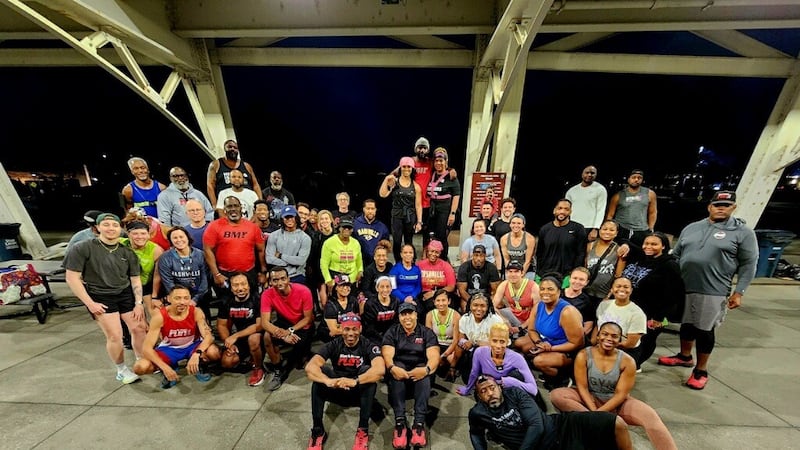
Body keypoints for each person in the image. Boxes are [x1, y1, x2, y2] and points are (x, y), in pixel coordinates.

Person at [658, 190, 758, 390]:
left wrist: (739, 292)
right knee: (686, 324)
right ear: (709, 206)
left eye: (726, 206)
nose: (721, 209)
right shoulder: (692, 228)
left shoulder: (743, 232)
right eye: (717, 205)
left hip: (713, 288)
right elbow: (676, 255)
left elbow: (749, 263)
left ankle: (701, 370)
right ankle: (684, 356)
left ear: (733, 208)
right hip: (684, 285)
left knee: (704, 329)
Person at [550, 321, 677, 450]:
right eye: (605, 334)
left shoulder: (628, 361)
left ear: (620, 340)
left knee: (650, 416)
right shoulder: (584, 355)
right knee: (557, 395)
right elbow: (582, 387)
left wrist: (601, 414)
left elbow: (620, 394)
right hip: (589, 398)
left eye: (614, 336)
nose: (609, 339)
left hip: (616, 402)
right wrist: (594, 414)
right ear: (598, 336)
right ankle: (591, 425)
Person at [63, 213, 147, 384]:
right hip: (99, 296)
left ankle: (141, 360)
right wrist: (90, 303)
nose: (111, 228)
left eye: (115, 225)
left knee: (139, 328)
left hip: (124, 294)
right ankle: (121, 369)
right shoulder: (83, 248)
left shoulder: (127, 252)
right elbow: (72, 278)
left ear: (120, 229)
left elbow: (135, 279)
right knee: (115, 335)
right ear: (98, 228)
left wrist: (139, 303)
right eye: (106, 225)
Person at [468, 375, 633, 450]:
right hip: (545, 447)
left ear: (500, 388)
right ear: (479, 397)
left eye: (492, 388)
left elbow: (537, 425)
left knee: (615, 423)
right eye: (483, 391)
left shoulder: (515, 393)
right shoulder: (478, 412)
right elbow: (476, 434)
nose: (490, 393)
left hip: (561, 426)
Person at [305, 313, 385, 450]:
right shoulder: (333, 344)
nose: (351, 333)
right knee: (320, 374)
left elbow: (380, 370)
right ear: (341, 329)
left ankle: (363, 430)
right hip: (337, 388)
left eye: (354, 329)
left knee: (368, 373)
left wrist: (355, 381)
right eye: (347, 329)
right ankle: (318, 430)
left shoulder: (368, 345)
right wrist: (327, 381)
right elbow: (310, 367)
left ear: (360, 329)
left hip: (358, 391)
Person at [133, 284, 221, 388]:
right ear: (169, 299)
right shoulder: (159, 317)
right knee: (140, 367)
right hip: (170, 349)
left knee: (214, 353)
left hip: (193, 346)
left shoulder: (196, 312)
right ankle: (170, 367)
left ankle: (200, 365)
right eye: (177, 298)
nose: (182, 302)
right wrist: (164, 367)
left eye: (186, 298)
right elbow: (146, 349)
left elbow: (209, 337)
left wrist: (197, 354)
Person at [381, 302, 440, 449]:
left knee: (425, 373)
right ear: (399, 317)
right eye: (403, 314)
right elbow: (387, 354)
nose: (407, 317)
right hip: (400, 370)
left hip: (419, 370)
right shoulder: (392, 332)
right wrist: (392, 367)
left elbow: (434, 357)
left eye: (410, 313)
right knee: (396, 371)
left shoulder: (427, 333)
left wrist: (426, 370)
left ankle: (418, 425)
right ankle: (400, 422)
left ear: (416, 315)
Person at [622, 232, 685, 369]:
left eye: (654, 244)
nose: (648, 247)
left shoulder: (669, 266)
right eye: (646, 243)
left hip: (654, 314)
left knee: (646, 340)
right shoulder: (641, 257)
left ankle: (635, 366)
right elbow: (624, 240)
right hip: (634, 310)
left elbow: (674, 295)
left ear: (663, 246)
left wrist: (659, 318)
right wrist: (626, 244)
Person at [514, 275, 584, 390]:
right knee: (520, 343)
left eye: (550, 289)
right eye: (542, 289)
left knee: (539, 361)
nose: (545, 292)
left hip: (568, 350)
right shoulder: (538, 306)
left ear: (559, 291)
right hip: (547, 342)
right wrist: (538, 342)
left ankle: (562, 378)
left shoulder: (567, 312)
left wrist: (549, 349)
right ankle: (546, 366)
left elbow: (577, 344)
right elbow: (531, 330)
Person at [260, 267, 316, 391]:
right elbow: (264, 322)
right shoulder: (267, 294)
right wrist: (283, 335)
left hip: (302, 325)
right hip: (284, 322)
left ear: (288, 279)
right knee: (267, 336)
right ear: (270, 282)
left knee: (299, 360)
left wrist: (290, 331)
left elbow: (308, 318)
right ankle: (278, 369)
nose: (279, 283)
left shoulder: (303, 291)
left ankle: (303, 355)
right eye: (275, 280)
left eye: (283, 279)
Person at [456, 323, 540, 401]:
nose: (498, 346)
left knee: (517, 376)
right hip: (490, 387)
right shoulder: (480, 352)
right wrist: (467, 389)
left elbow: (533, 390)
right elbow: (474, 373)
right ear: (489, 340)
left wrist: (512, 382)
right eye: (494, 341)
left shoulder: (517, 358)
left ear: (507, 342)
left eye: (502, 342)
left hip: (509, 389)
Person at [217, 272, 266, 387]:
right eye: (235, 285)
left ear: (249, 285)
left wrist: (235, 336)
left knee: (253, 339)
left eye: (243, 284)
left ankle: (259, 368)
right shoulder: (226, 302)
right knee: (226, 362)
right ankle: (250, 358)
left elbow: (259, 325)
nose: (240, 288)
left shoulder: (258, 299)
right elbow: (222, 325)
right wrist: (228, 341)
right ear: (230, 287)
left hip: (260, 337)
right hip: (240, 337)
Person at [154, 226, 210, 318]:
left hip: (199, 297)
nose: (179, 240)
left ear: (187, 237)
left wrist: (194, 300)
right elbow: (168, 283)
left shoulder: (200, 255)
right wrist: (182, 300)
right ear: (171, 241)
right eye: (175, 238)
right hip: (177, 298)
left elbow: (205, 280)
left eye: (181, 237)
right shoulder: (165, 258)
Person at [594, 277, 647, 367]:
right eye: (618, 286)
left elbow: (630, 343)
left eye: (626, 287)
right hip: (602, 345)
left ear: (631, 290)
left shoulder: (637, 314)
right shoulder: (604, 305)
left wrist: (607, 345)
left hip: (624, 350)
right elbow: (597, 326)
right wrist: (593, 344)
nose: (622, 289)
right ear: (612, 289)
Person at [379, 156, 423, 262]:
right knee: (397, 241)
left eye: (409, 167)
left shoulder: (416, 186)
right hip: (397, 215)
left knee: (409, 241)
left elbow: (418, 205)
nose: (406, 169)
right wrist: (386, 179)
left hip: (410, 215)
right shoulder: (394, 182)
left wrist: (419, 222)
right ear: (400, 167)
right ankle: (398, 262)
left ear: (412, 168)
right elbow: (383, 194)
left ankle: (410, 261)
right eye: (404, 166)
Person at [455, 293, 504, 383]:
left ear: (488, 307)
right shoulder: (465, 319)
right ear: (469, 306)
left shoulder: (496, 320)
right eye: (475, 305)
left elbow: (501, 344)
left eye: (482, 306)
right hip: (470, 352)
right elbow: (461, 339)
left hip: (492, 353)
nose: (478, 309)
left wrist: (475, 342)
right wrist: (464, 343)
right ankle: (455, 369)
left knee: (479, 350)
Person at [120, 220, 164, 319]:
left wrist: (154, 296)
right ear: (128, 234)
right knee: (137, 320)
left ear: (149, 234)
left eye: (143, 233)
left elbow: (158, 276)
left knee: (156, 315)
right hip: (125, 287)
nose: (139, 237)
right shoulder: (119, 244)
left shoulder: (156, 250)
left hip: (147, 285)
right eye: (135, 234)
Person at [536, 199, 587, 281]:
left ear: (570, 212)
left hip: (567, 276)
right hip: (545, 274)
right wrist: (539, 272)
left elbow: (581, 254)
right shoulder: (544, 229)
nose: (562, 211)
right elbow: (540, 253)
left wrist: (574, 273)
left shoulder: (578, 229)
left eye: (566, 209)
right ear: (554, 210)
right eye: (560, 208)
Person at [606, 169, 657, 247]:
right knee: (618, 253)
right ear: (628, 179)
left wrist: (651, 228)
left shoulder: (650, 194)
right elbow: (610, 215)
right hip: (622, 229)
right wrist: (609, 229)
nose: (636, 179)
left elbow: (652, 212)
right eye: (634, 177)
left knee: (639, 254)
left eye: (639, 178)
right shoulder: (618, 195)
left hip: (641, 230)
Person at [426, 147, 461, 261]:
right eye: (436, 160)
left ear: (446, 162)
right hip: (432, 210)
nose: (438, 163)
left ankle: (443, 260)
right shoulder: (432, 174)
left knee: (441, 237)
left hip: (445, 211)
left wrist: (452, 213)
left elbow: (456, 195)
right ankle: (431, 261)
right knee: (431, 236)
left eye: (441, 160)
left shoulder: (451, 177)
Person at [207, 139, 263, 207]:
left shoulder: (246, 166)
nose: (232, 149)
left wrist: (261, 202)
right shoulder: (216, 164)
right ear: (225, 149)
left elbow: (256, 185)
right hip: (227, 203)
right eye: (230, 147)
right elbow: (210, 185)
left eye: (235, 147)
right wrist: (214, 204)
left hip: (247, 202)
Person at [584, 219, 627, 307]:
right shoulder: (590, 246)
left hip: (604, 296)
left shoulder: (620, 250)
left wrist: (609, 296)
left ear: (616, 233)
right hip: (586, 292)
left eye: (611, 230)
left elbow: (618, 277)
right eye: (604, 229)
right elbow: (584, 269)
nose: (607, 232)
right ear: (599, 230)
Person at [492, 260, 539, 339]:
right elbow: (492, 306)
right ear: (507, 273)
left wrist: (521, 327)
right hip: (513, 314)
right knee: (493, 314)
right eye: (510, 271)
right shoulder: (504, 284)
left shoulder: (533, 287)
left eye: (516, 271)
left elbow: (538, 312)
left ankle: (521, 333)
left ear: (522, 273)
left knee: (526, 339)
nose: (513, 274)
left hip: (529, 318)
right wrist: (504, 320)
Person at [265, 205, 312, 283]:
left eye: (292, 217)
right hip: (277, 276)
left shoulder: (305, 238)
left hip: (297, 276)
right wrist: (288, 263)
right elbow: (269, 259)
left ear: (296, 218)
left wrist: (280, 256)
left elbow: (301, 261)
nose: (289, 220)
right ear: (282, 219)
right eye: (286, 217)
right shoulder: (274, 235)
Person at [424, 288, 462, 382]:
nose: (441, 303)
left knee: (450, 359)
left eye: (443, 300)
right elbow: (429, 338)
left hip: (450, 347)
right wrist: (436, 354)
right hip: (435, 345)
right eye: (438, 300)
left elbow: (455, 341)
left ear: (449, 301)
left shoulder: (456, 316)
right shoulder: (430, 315)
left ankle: (452, 368)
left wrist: (444, 355)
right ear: (434, 302)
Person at [319, 217, 363, 294]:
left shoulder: (356, 243)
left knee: (351, 302)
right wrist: (328, 280)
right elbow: (324, 264)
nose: (346, 230)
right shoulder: (329, 242)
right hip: (335, 277)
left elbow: (359, 260)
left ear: (352, 230)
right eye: (344, 227)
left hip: (351, 278)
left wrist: (360, 271)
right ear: (339, 228)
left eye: (349, 228)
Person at [565, 165, 607, 242]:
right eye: (587, 172)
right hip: (573, 225)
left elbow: (601, 210)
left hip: (589, 227)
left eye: (592, 173)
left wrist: (595, 229)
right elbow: (566, 210)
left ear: (596, 174)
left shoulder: (600, 189)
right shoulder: (572, 191)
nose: (589, 175)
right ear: (582, 174)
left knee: (585, 252)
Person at [456, 244, 502, 313]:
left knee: (499, 304)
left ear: (485, 256)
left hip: (486, 296)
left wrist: (487, 302)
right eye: (476, 255)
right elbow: (462, 291)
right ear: (472, 256)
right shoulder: (464, 267)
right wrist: (474, 302)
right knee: (465, 307)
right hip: (469, 296)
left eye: (481, 256)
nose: (478, 258)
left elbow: (495, 291)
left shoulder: (491, 268)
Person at [417, 239, 457, 313]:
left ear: (440, 253)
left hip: (442, 292)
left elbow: (451, 286)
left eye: (437, 252)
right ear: (427, 251)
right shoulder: (419, 265)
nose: (433, 254)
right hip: (424, 293)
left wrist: (434, 293)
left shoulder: (446, 265)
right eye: (431, 251)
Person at [317, 274, 359, 343]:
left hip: (345, 334)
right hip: (328, 334)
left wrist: (341, 327)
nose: (345, 288)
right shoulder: (330, 305)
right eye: (342, 285)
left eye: (347, 285)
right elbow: (334, 331)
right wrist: (352, 328)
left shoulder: (353, 301)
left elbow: (358, 325)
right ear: (336, 287)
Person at [361, 275, 400, 343]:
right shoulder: (370, 304)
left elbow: (396, 323)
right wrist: (383, 339)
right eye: (382, 287)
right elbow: (369, 328)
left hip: (391, 335)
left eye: (387, 286)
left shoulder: (396, 301)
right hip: (374, 336)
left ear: (391, 288)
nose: (385, 290)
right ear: (377, 288)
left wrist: (390, 336)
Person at [310, 209, 336, 310]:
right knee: (324, 299)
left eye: (326, 218)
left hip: (334, 268)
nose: (324, 221)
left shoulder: (337, 235)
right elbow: (314, 254)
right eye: (322, 219)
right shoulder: (317, 236)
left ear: (331, 220)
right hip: (320, 269)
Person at [352, 198, 390, 267]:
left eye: (372, 209)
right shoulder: (355, 224)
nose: (370, 211)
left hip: (375, 263)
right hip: (358, 262)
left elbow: (386, 247)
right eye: (368, 208)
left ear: (376, 210)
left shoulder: (382, 227)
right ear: (364, 209)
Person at [499, 213, 537, 280]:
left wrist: (521, 274)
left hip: (527, 270)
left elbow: (528, 261)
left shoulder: (530, 239)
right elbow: (506, 260)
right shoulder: (504, 239)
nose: (516, 225)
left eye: (519, 223)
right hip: (512, 269)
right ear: (510, 224)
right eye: (513, 223)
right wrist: (511, 273)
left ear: (523, 225)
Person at [563, 267, 595, 342]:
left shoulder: (587, 301)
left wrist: (575, 339)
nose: (577, 282)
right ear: (569, 279)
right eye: (575, 278)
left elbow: (588, 325)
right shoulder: (557, 294)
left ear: (586, 282)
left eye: (581, 279)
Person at [388, 243, 422, 308]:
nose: (408, 255)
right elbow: (392, 288)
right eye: (405, 252)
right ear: (401, 254)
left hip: (413, 298)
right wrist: (404, 298)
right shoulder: (394, 270)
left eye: (410, 252)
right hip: (398, 299)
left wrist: (412, 296)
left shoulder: (417, 270)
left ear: (413, 254)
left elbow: (418, 286)